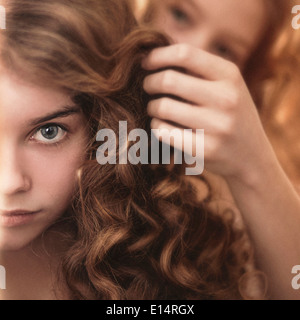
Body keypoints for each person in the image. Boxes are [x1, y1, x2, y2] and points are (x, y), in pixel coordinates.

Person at [0, 0, 264, 300]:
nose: (9, 182)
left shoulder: (166, 260)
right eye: (180, 14)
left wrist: (257, 167)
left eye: (49, 132)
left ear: (101, 128)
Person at [136, 0, 300, 299]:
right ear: (145, 9)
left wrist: (255, 168)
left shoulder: (242, 201)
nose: (190, 54)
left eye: (224, 50)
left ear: (248, 75)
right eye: (180, 14)